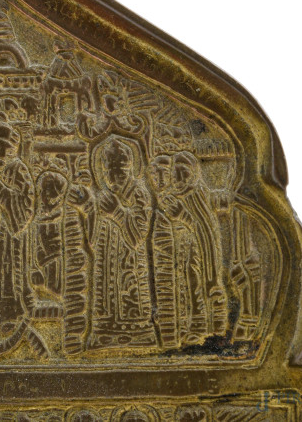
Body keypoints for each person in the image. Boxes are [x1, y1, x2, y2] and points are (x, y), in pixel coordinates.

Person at [151, 151, 228, 347]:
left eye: (183, 171)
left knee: (199, 288)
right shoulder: (173, 198)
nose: (178, 177)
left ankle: (207, 329)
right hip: (182, 256)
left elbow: (205, 230)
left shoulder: (197, 196)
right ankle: (189, 328)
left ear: (193, 173)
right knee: (186, 289)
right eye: (175, 172)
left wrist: (183, 216)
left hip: (201, 256)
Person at [87, 135, 156, 348]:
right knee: (107, 302)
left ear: (128, 167)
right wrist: (89, 212)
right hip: (107, 268)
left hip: (130, 267)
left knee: (130, 300)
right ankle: (104, 334)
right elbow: (93, 239)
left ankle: (137, 334)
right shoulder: (104, 195)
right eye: (107, 169)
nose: (110, 175)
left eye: (117, 169)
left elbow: (138, 237)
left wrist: (117, 212)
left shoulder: (139, 194)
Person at [0, 117, 35, 329]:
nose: (2, 155)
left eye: (8, 151)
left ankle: (8, 313)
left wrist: (2, 195)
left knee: (5, 270)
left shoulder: (17, 169)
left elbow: (27, 203)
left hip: (7, 237)